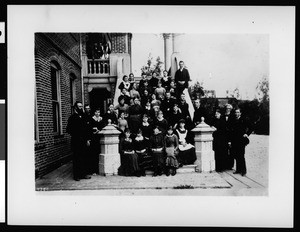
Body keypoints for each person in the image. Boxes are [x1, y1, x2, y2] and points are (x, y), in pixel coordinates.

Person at [66, 101, 92, 181]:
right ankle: (76, 175)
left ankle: (83, 174)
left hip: (84, 141)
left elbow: (88, 129)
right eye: (79, 106)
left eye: (82, 106)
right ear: (76, 108)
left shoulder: (84, 116)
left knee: (84, 157)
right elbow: (68, 130)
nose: (81, 108)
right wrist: (76, 133)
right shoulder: (72, 118)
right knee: (77, 158)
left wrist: (88, 139)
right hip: (76, 141)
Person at [230, 108, 252, 176]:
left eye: (238, 112)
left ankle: (243, 171)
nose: (236, 114)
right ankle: (238, 170)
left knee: (241, 156)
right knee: (236, 155)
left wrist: (247, 134)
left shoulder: (244, 120)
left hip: (241, 140)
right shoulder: (233, 120)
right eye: (235, 112)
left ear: (240, 113)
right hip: (234, 140)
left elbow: (251, 127)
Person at [90, 108, 105, 175]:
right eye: (96, 112)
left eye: (98, 112)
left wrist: (100, 130)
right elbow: (90, 127)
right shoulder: (92, 119)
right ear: (94, 113)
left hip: (100, 137)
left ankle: (100, 169)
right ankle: (94, 170)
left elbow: (103, 127)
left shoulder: (101, 119)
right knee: (94, 154)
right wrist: (94, 130)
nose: (97, 113)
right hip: (94, 137)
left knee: (100, 152)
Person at [222, 103, 235, 170]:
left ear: (231, 109)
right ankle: (225, 165)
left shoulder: (233, 116)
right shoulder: (223, 116)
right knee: (224, 150)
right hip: (224, 135)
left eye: (229, 109)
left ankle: (230, 165)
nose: (228, 110)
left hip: (231, 135)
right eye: (227, 108)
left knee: (231, 151)